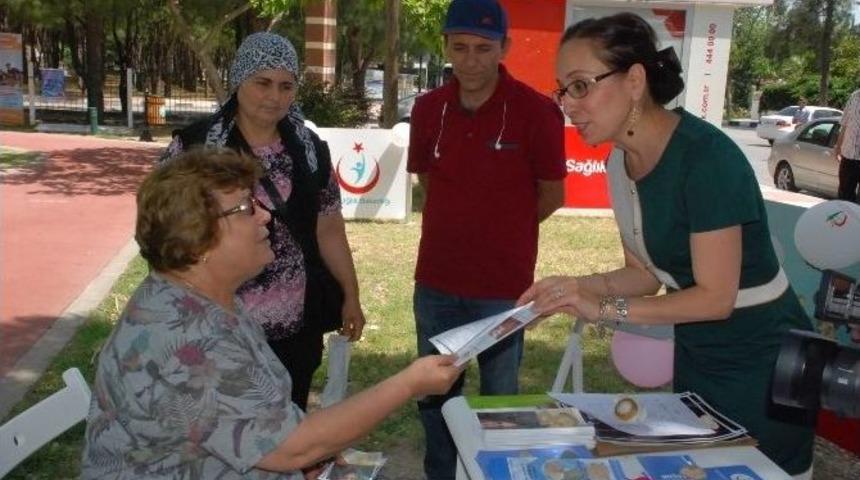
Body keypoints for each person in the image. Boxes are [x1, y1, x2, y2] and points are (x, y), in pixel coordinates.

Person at [518, 12, 814, 477]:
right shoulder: (622, 162)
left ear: (635, 80)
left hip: (765, 367)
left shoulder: (707, 159)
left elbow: (716, 299)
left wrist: (605, 310)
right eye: (563, 90)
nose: (568, 106)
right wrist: (571, 287)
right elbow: (643, 275)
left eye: (580, 86)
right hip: (699, 358)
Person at [81, 149, 461, 479]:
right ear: (196, 240)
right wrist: (409, 384)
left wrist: (305, 461)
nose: (265, 216)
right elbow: (292, 448)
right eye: (247, 207)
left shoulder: (206, 300)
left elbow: (262, 429)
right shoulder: (185, 340)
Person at [162, 32, 365, 411]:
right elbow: (164, 234)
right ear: (240, 79)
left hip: (296, 330)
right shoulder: (194, 148)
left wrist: (351, 296)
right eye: (263, 82)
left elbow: (330, 229)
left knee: (289, 427)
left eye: (286, 86)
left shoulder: (308, 150)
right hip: (215, 328)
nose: (274, 96)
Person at [406, 0, 566, 477]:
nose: (471, 60)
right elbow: (427, 182)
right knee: (436, 397)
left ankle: (499, 472)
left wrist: (504, 231)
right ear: (446, 48)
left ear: (505, 48)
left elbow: (552, 194)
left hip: (502, 287)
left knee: (499, 399)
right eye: (461, 48)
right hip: (435, 281)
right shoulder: (426, 109)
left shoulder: (537, 112)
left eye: (483, 48)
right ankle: (442, 472)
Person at [834, 88, 860, 202]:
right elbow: (844, 124)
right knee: (844, 197)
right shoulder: (854, 96)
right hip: (848, 155)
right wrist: (837, 146)